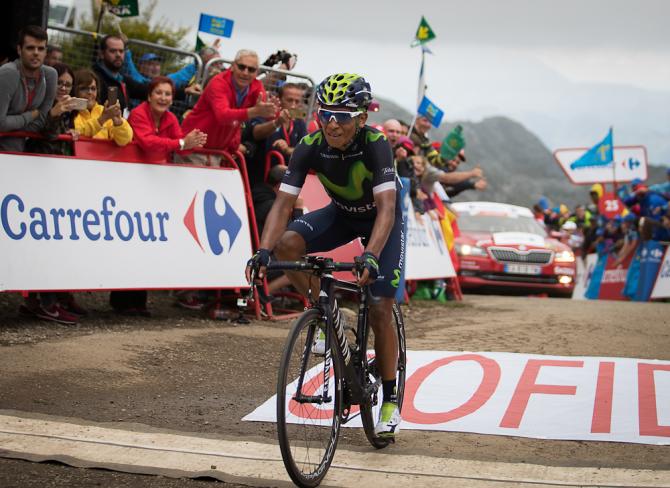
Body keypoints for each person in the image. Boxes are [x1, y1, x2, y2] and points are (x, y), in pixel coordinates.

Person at [246, 73, 403, 439]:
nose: (332, 123)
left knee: (380, 306)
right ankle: (327, 309)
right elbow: (283, 203)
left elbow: (386, 208)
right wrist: (263, 251)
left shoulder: (377, 144)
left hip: (382, 221)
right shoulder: (310, 144)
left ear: (361, 118)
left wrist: (371, 255)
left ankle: (392, 398)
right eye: (325, 114)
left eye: (343, 116)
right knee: (287, 244)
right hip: (343, 214)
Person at [181, 49, 276, 164]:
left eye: (251, 69)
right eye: (241, 67)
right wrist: (255, 111)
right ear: (232, 66)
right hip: (192, 148)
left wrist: (274, 114)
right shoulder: (218, 82)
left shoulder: (256, 87)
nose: (245, 72)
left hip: (216, 151)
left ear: (256, 73)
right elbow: (223, 115)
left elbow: (265, 113)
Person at [0, 25, 57, 152]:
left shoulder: (50, 75)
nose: (36, 52)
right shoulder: (8, 73)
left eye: (41, 48)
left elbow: (41, 122)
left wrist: (13, 123)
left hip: (32, 149)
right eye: (30, 48)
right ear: (19, 50)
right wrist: (30, 116)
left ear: (46, 52)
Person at [128, 76, 207, 163]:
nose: (163, 98)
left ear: (172, 100)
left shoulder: (171, 118)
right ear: (149, 97)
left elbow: (180, 147)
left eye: (168, 94)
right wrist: (182, 143)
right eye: (158, 93)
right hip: (133, 165)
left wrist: (192, 143)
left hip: (159, 168)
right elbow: (148, 143)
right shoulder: (138, 114)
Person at [25, 62, 79, 156]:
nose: (63, 88)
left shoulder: (70, 110)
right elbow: (47, 135)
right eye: (59, 83)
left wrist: (70, 132)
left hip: (58, 163)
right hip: (34, 159)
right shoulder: (37, 102)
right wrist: (53, 115)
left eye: (68, 85)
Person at [72, 68, 133, 146]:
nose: (90, 92)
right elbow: (77, 133)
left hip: (103, 157)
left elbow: (125, 140)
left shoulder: (104, 111)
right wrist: (102, 120)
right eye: (83, 88)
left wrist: (119, 123)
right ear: (74, 90)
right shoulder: (69, 111)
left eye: (93, 89)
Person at [93, 35, 147, 112]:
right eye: (113, 51)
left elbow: (146, 91)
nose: (118, 55)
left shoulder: (122, 79)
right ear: (101, 54)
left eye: (121, 51)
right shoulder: (95, 80)